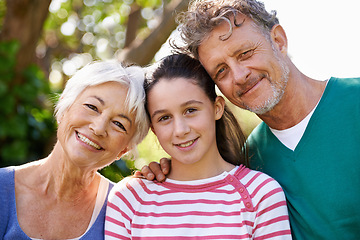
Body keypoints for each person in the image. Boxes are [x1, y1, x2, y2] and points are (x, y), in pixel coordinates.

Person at [139, 0, 360, 239]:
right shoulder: (251, 161)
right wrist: (163, 175)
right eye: (221, 70)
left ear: (278, 40)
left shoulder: (353, 102)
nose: (240, 75)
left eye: (245, 53)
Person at [104, 53, 292, 239]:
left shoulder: (261, 195)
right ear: (153, 128)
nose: (180, 130)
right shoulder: (129, 199)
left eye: (190, 110)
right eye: (164, 118)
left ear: (217, 108)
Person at [0, 60, 150, 239]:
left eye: (119, 124)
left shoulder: (126, 209)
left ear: (125, 149)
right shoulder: (2, 189)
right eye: (92, 107)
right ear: (64, 107)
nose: (99, 128)